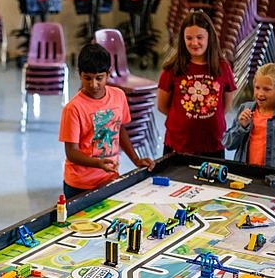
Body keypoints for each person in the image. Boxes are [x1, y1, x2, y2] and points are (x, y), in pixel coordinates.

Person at [59, 43, 155, 199]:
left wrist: (136, 160)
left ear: (109, 73)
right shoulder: (73, 108)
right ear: (79, 73)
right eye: (87, 78)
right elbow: (71, 153)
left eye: (99, 78)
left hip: (108, 177)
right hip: (79, 184)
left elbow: (120, 129)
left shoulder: (118, 96)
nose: (93, 84)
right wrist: (98, 163)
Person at [157, 10, 236, 158]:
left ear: (209, 38)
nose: (194, 43)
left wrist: (205, 115)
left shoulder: (222, 67)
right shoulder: (172, 68)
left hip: (213, 143)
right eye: (189, 38)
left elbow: (225, 106)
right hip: (179, 144)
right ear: (183, 39)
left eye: (200, 37)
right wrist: (183, 117)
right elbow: (162, 106)